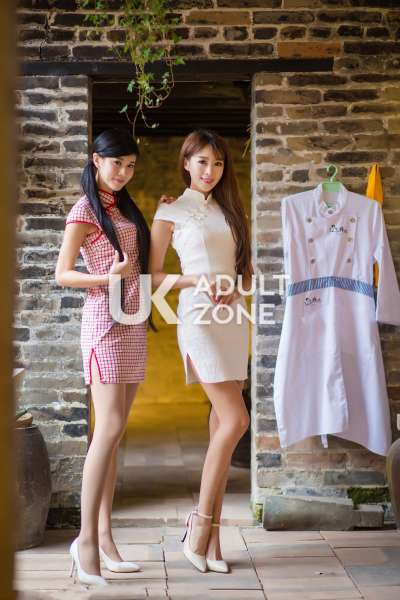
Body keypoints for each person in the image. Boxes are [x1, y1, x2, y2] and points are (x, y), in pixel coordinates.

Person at [150, 129, 253, 574]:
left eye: (218, 163)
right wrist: (198, 281)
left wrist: (237, 289)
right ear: (186, 163)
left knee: (220, 429)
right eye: (203, 162)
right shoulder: (170, 211)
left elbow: (246, 272)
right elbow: (153, 277)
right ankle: (199, 526)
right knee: (236, 420)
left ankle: (212, 544)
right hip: (198, 318)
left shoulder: (231, 211)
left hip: (233, 319)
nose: (210, 171)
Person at [55, 128, 150, 587]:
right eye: (117, 164)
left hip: (131, 323)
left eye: (130, 166)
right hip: (104, 326)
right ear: (96, 160)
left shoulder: (123, 208)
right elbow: (62, 273)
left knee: (114, 435)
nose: (123, 173)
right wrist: (105, 278)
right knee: (108, 428)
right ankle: (86, 540)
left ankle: (107, 539)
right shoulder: (85, 210)